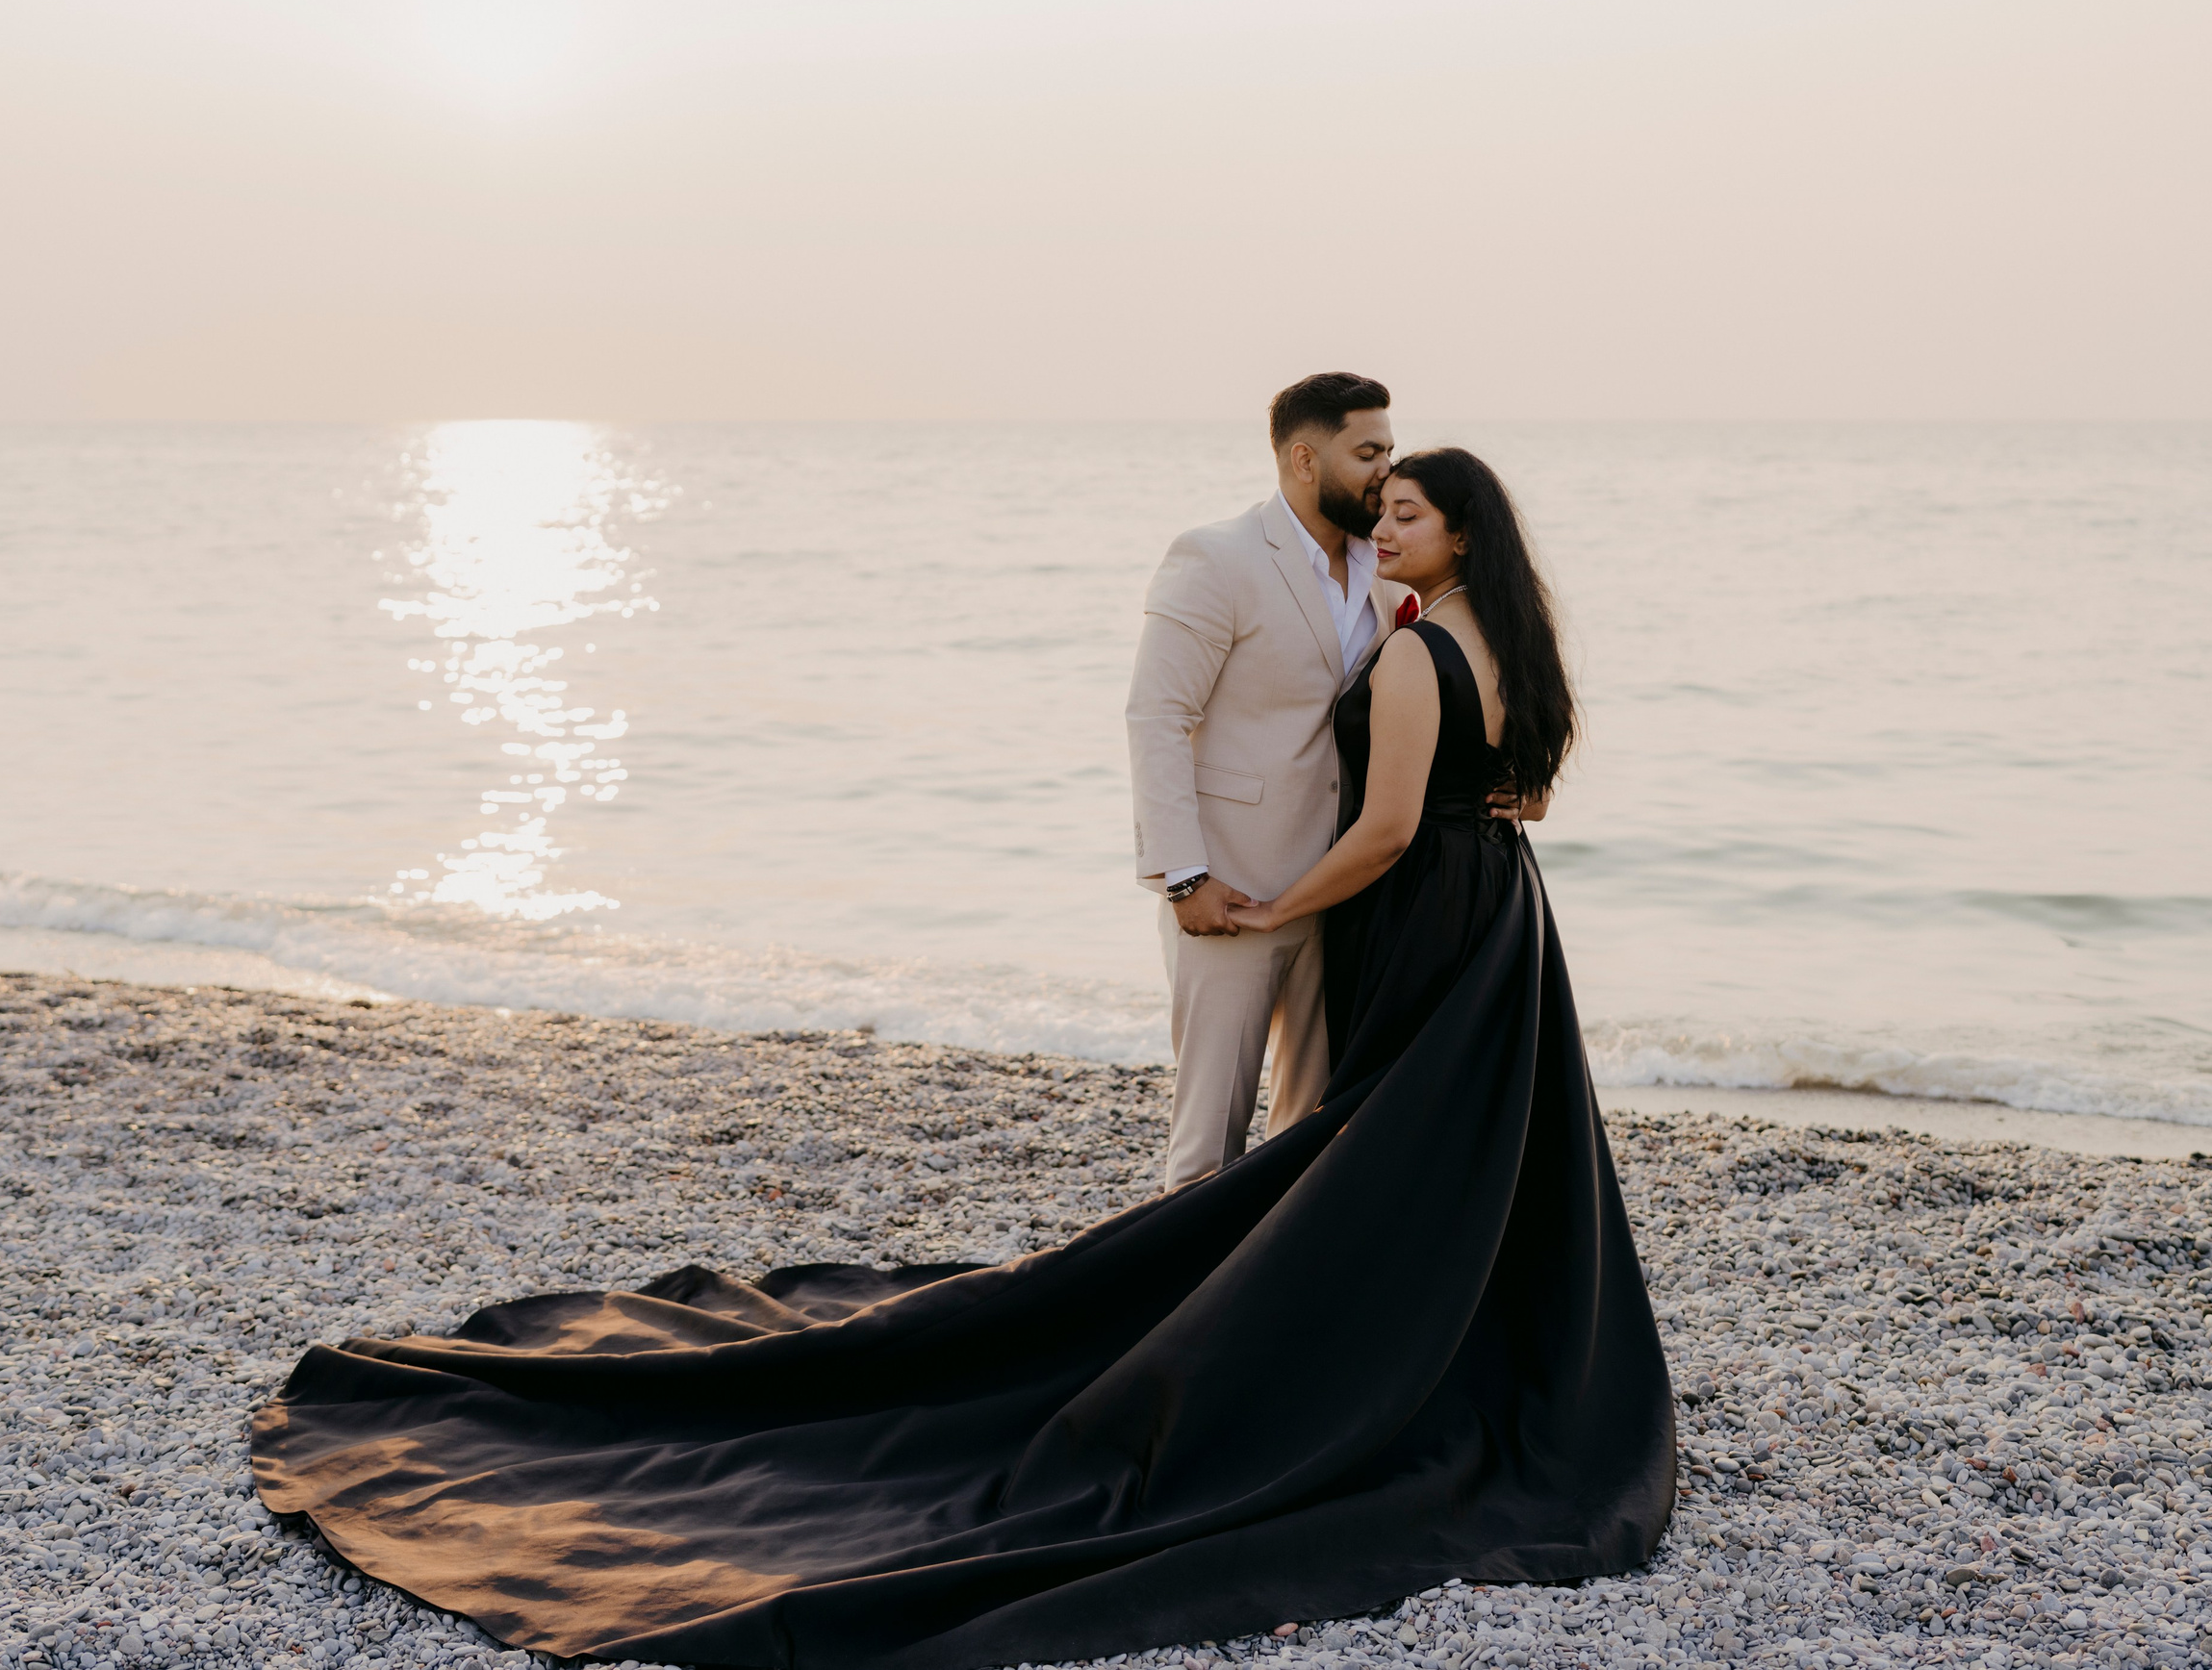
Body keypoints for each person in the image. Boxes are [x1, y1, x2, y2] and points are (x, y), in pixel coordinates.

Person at [250, 442, 1676, 1670]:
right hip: (1501, 912)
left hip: (1416, 908)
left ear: (1463, 533)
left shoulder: (1419, 651)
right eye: (1383, 503)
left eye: (1410, 513)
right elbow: (1526, 795)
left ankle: (1318, 1343)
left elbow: (1384, 829)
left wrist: (1274, 903)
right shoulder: (1512, 643)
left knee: (1376, 1140)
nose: (1385, 525)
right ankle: (1453, 1340)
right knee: (1454, 1138)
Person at [1125, 371, 1402, 1188]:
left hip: (1341, 889)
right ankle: (1181, 1271)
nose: (1386, 470)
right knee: (1208, 1144)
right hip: (1232, 890)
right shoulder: (1216, 557)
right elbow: (1156, 717)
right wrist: (1184, 876)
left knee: (1311, 1136)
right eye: (1368, 452)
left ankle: (1273, 1269)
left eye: (1390, 450)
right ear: (1304, 459)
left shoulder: (1387, 567)